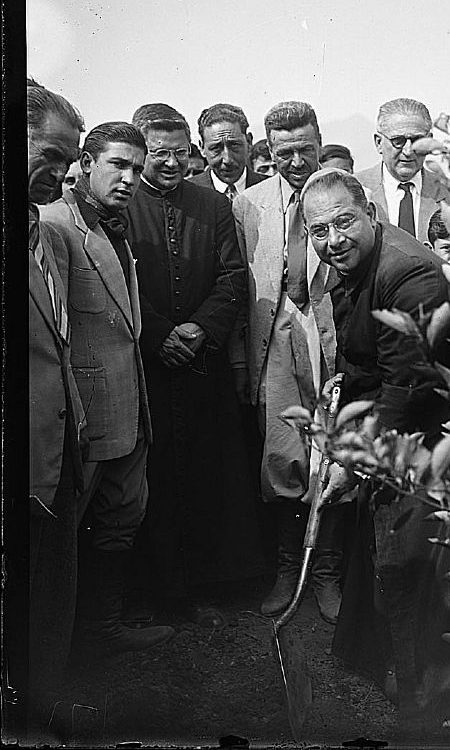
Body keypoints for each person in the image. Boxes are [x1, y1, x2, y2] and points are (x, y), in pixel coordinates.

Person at [300, 168, 450, 730]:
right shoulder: (350, 264)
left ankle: (435, 706)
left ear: (370, 215)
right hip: (398, 422)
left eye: (343, 222)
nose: (332, 239)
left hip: (439, 434)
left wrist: (355, 460)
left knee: (418, 563)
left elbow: (409, 384)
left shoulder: (410, 273)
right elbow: (365, 363)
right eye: (318, 230)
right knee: (390, 552)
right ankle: (401, 671)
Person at [40, 122, 174, 660]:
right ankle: (49, 652)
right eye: (118, 164)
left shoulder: (116, 225)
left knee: (121, 518)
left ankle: (102, 629)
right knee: (61, 533)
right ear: (87, 163)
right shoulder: (55, 225)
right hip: (80, 416)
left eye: (137, 169)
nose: (129, 177)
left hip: (127, 404)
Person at [125, 103, 264, 623]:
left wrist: (200, 328)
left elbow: (233, 277)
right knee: (156, 479)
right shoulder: (123, 203)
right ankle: (157, 589)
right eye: (158, 154)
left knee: (209, 474)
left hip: (201, 364)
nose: (169, 163)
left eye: (179, 153)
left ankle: (211, 580)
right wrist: (159, 333)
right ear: (142, 154)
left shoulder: (211, 205)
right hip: (150, 365)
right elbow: (122, 283)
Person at [231, 101, 344, 624]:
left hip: (330, 336)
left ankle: (326, 573)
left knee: (334, 452)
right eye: (283, 152)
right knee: (282, 454)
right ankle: (285, 567)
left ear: (320, 139)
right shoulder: (248, 204)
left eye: (305, 148)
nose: (296, 161)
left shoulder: (346, 194)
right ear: (269, 150)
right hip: (274, 335)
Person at [13, 79, 85, 739]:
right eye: (52, 153)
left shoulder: (51, 238)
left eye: (71, 159)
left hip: (59, 452)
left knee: (49, 593)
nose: (62, 172)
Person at [355, 98, 450, 243]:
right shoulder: (353, 189)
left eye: (417, 140)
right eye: (398, 141)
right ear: (379, 143)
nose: (408, 151)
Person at [190, 103, 265, 199]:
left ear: (249, 142)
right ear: (202, 148)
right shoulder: (187, 195)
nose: (227, 159)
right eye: (216, 148)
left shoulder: (273, 190)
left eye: (234, 145)